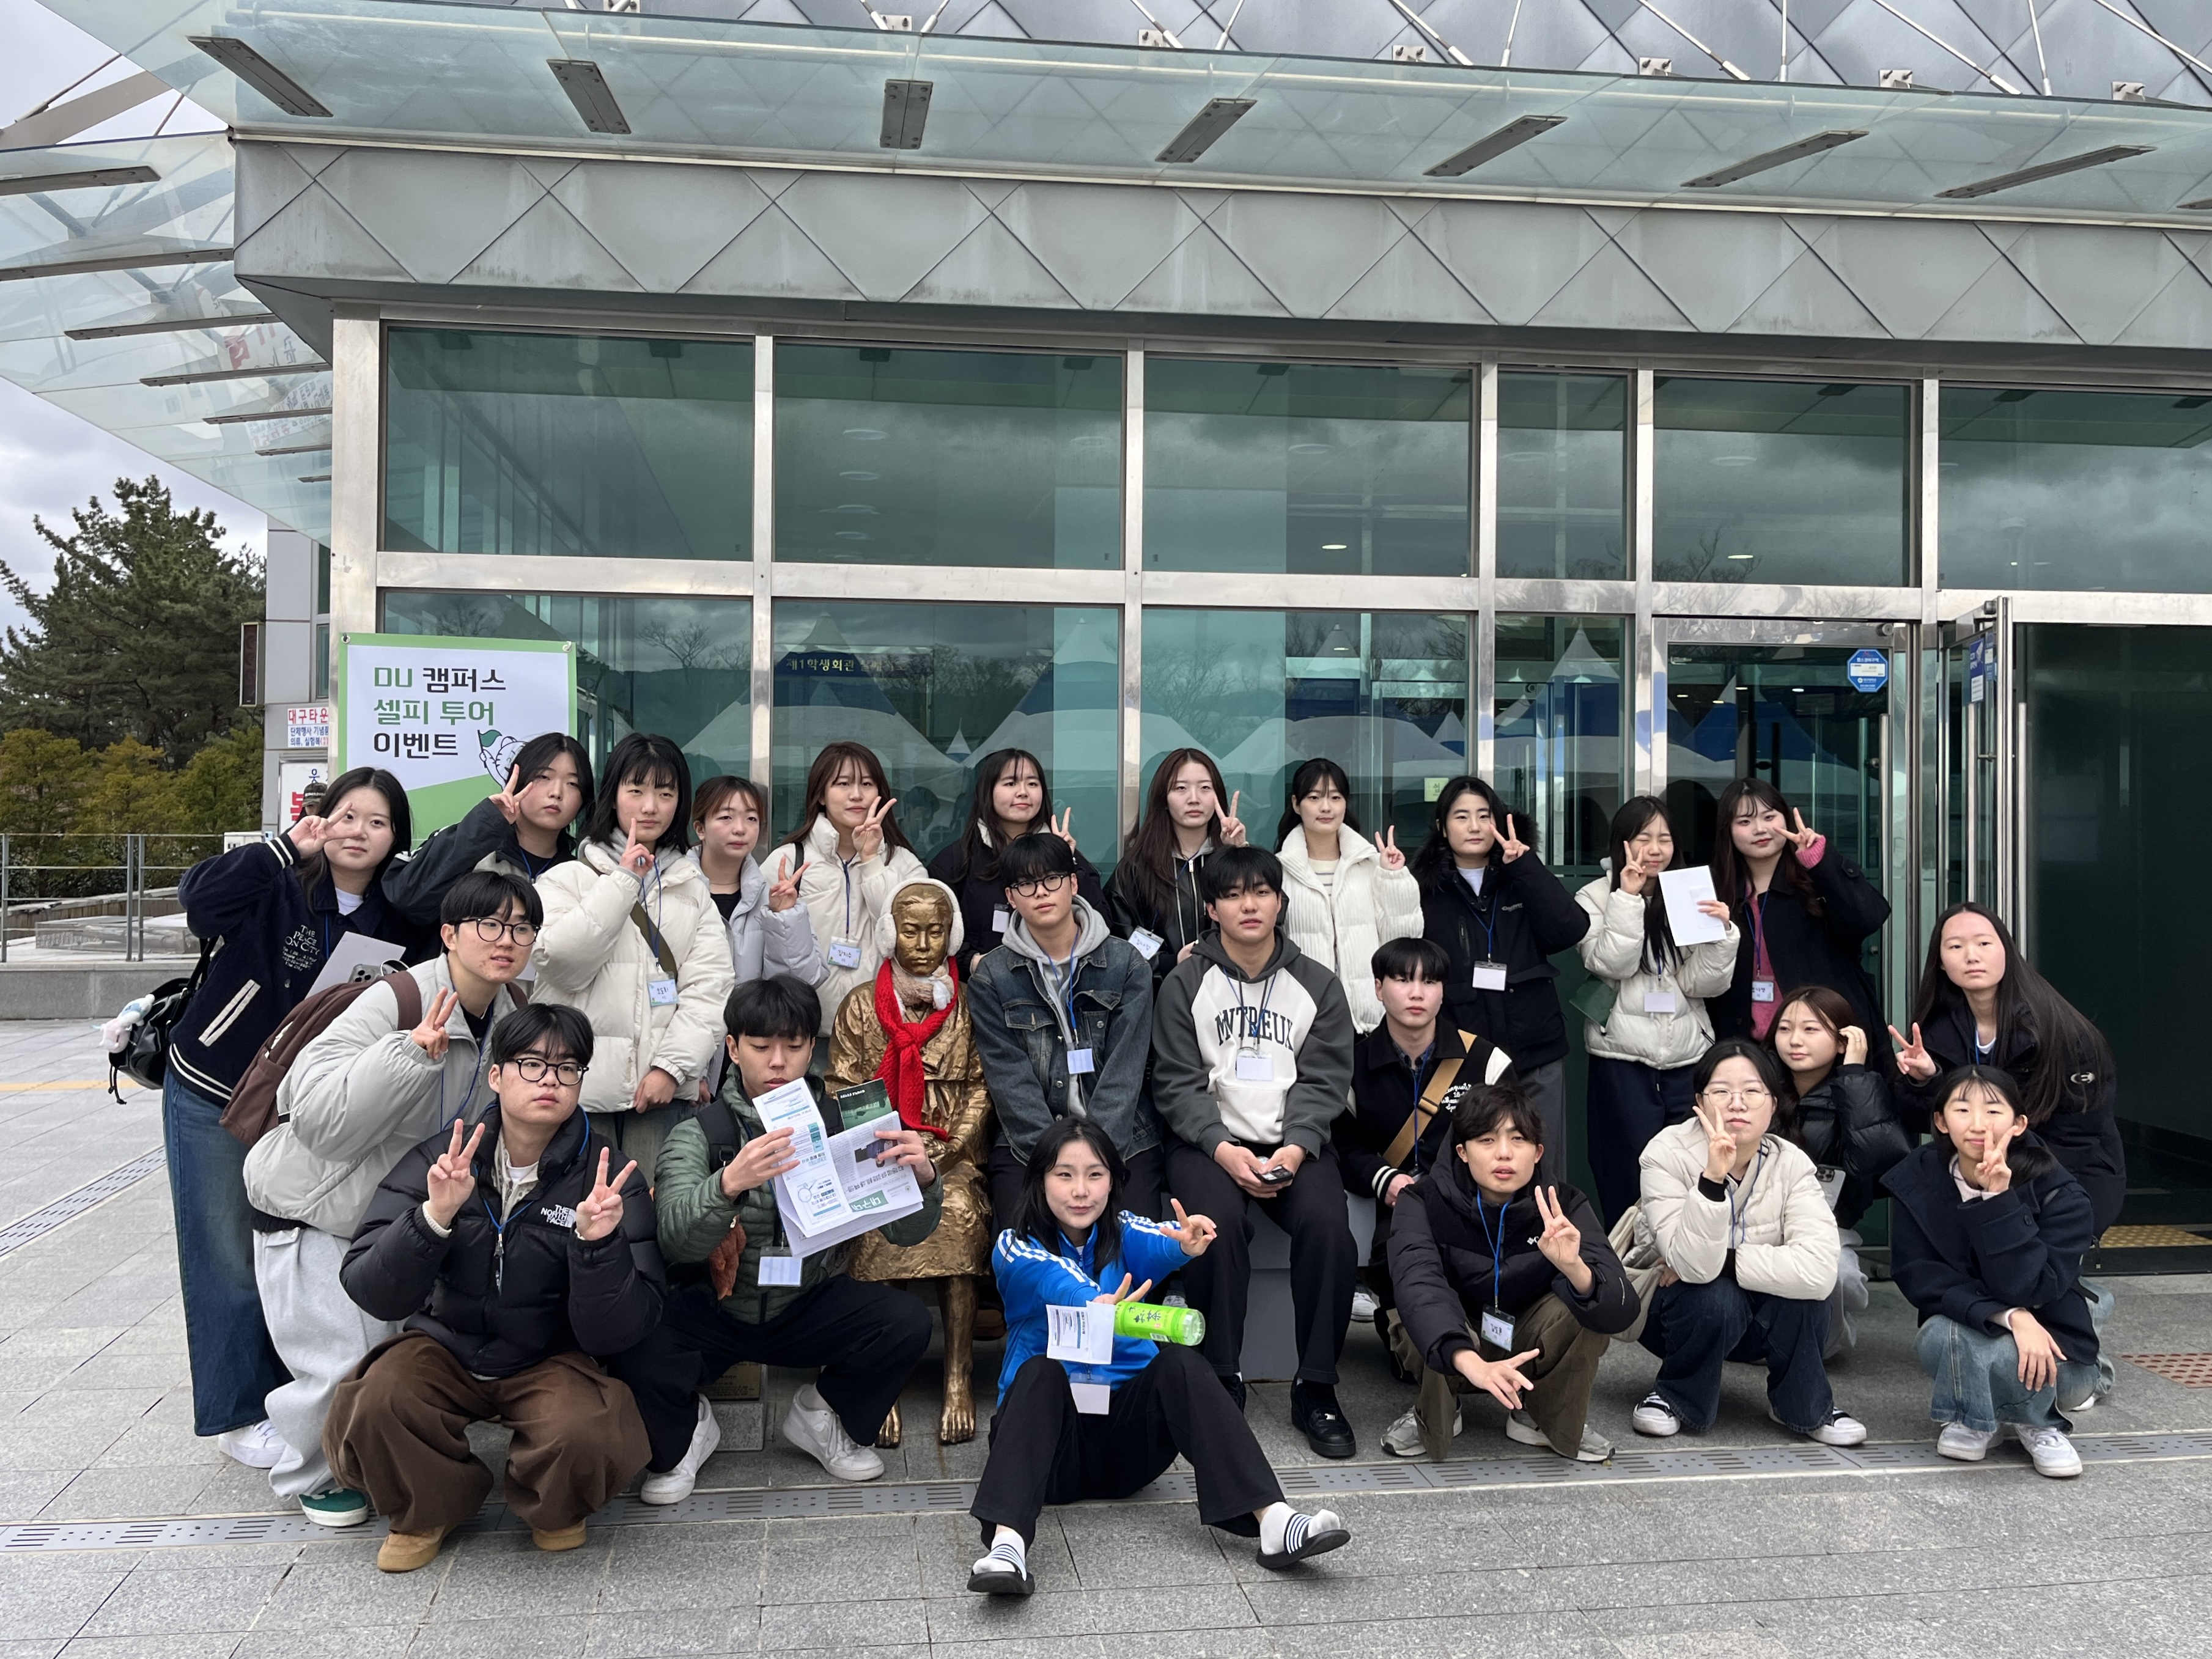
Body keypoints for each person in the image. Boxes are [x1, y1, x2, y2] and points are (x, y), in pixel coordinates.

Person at [241, 870, 536, 1527]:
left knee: (389, 1356)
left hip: (403, 1215)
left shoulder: (513, 1010)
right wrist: (409, 1054)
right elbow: (318, 1119)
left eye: (521, 927)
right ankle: (312, 1472)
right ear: (449, 934)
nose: (506, 939)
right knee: (339, 1358)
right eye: (490, 924)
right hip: (319, 1208)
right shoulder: (394, 999)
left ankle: (365, 1458)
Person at [326, 1005, 660, 1572]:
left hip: (547, 1355)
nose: (550, 1081)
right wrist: (433, 1217)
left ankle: (553, 1506)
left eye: (567, 1068)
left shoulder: (608, 1180)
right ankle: (428, 1509)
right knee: (377, 1399)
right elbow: (370, 1288)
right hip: (444, 1345)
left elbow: (624, 1330)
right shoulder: (443, 1158)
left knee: (586, 1425)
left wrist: (597, 1246)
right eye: (532, 1065)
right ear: (497, 1075)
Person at [967, 1119, 1350, 1597]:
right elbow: (1051, 1277)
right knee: (1039, 1373)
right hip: (1048, 1454)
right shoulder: (1015, 1245)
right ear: (1039, 1180)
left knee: (1181, 1363)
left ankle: (1274, 1520)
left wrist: (1183, 1243)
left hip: (1127, 1449)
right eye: (1064, 1175)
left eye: (1095, 1175)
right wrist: (1094, 1302)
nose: (1081, 1190)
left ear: (1113, 1181)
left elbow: (1158, 1238)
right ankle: (1007, 1546)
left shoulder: (1123, 1230)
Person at [164, 767, 414, 1471]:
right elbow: (198, 902)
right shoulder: (277, 881)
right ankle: (239, 1412)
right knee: (224, 1253)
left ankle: (296, 1394)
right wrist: (284, 847)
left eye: (377, 821)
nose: (358, 831)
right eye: (346, 814)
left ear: (396, 837)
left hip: (310, 1106)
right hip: (213, 1086)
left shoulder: (398, 916)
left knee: (295, 1254)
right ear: (321, 819)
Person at [610, 977, 943, 1499]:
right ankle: (685, 1434)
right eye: (761, 1047)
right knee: (635, 1338)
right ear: (733, 1048)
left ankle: (821, 1414)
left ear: (812, 1048)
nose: (778, 1062)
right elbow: (674, 1240)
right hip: (715, 1308)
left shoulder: (842, 1122)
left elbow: (906, 1234)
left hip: (803, 1301)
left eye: (794, 1046)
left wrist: (921, 1179)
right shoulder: (700, 1133)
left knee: (906, 1321)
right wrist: (727, 1184)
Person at [1150, 845, 1359, 1457]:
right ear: (1211, 908)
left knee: (1330, 1230)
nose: (1250, 904)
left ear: (1280, 902)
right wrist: (1222, 1149)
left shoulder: (1317, 983)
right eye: (1234, 894)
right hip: (1208, 1143)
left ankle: (1315, 1385)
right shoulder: (1185, 983)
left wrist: (1295, 1149)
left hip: (1294, 1143)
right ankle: (1221, 1378)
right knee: (1213, 1228)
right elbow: (1176, 1082)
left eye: (1262, 891)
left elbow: (1325, 1079)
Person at [1384, 1079, 1639, 1462]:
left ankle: (1539, 1416)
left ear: (1537, 1152)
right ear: (1462, 1151)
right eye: (1487, 1140)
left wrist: (1576, 1268)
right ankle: (1437, 1412)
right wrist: (1473, 1364)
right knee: (1421, 1310)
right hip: (1460, 1338)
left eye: (1518, 1139)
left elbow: (1623, 1309)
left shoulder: (1564, 1204)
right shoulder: (1421, 1200)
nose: (1504, 1153)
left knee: (1588, 1302)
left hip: (1525, 1334)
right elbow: (1419, 1284)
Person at [826, 877, 995, 1446]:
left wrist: (941, 1154)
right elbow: (841, 1085)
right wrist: (883, 1149)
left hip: (950, 1156)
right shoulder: (859, 1007)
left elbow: (980, 1089)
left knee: (961, 1212)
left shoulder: (969, 1005)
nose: (923, 944)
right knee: (879, 1218)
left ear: (953, 935)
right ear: (889, 933)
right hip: (877, 1155)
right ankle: (885, 1376)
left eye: (936, 931)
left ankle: (958, 1375)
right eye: (910, 931)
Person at [1632, 1039, 1865, 1446]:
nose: (1737, 1104)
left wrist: (1727, 1262)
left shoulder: (1792, 1162)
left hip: (1761, 1318)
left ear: (1773, 1104)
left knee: (1806, 1298)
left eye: (1753, 1091)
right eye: (1721, 1091)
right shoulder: (1666, 1154)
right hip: (1676, 1316)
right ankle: (1675, 1396)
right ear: (1700, 1102)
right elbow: (1692, 1268)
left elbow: (1818, 1271)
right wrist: (1711, 1180)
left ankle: (1805, 1407)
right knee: (1714, 1296)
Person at [532, 732, 736, 1183]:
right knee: (576, 1212)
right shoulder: (567, 879)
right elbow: (561, 964)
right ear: (613, 794)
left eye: (665, 793)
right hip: (576, 1092)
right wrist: (624, 880)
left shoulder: (691, 887)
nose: (650, 807)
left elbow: (712, 988)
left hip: (661, 1097)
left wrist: (671, 1068)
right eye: (636, 790)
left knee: (655, 1212)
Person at [1883, 1065, 2098, 1479]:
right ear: (1941, 1121)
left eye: (1994, 1111)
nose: (1979, 1124)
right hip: (1973, 1333)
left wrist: (1998, 1199)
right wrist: (2012, 1317)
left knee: (2002, 1353)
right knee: (1940, 1333)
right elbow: (1919, 1277)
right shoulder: (1918, 1177)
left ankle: (2028, 1421)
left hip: (2059, 1358)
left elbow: (2030, 1286)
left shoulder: (2061, 1193)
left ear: (2019, 1124)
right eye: (1962, 1110)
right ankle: (1988, 1415)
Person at [1890, 902, 2124, 1236]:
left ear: (2007, 951)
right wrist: (1926, 1081)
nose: (1971, 956)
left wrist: (2005, 1178)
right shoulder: (1937, 1032)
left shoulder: (2064, 1032)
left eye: (1984, 943)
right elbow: (1926, 1122)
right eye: (1955, 947)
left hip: (2062, 1175)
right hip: (1974, 1171)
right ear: (1940, 962)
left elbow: (2079, 1134)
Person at [968, 831, 1162, 1227]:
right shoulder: (992, 976)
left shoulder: (1126, 965)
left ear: (1073, 884)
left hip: (1121, 1135)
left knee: (1136, 1239)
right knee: (1021, 1242)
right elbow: (1010, 1079)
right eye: (1026, 884)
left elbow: (1125, 1072)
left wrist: (1093, 1157)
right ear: (1011, 897)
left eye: (1051, 879)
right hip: (1032, 1140)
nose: (1041, 892)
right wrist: (1056, 1160)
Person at [1412, 776, 1588, 1185]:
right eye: (1461, 817)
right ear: (1442, 828)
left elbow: (1570, 929)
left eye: (1483, 816)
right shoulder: (1425, 889)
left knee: (1543, 1169)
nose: (1474, 827)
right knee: (1469, 1169)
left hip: (1535, 1048)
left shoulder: (1520, 876)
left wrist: (1525, 867)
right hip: (1463, 1052)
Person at [1577, 796, 1742, 1225]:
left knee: (1687, 1164)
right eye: (1643, 838)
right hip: (1622, 1057)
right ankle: (1625, 1255)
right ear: (1622, 842)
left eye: (1664, 839)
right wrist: (1628, 899)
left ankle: (1680, 1252)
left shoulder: (1687, 894)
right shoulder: (1595, 897)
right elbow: (1611, 965)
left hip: (1688, 1057)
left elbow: (1702, 985)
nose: (1655, 849)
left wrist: (1723, 935)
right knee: (1623, 1166)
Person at [1334, 937, 1515, 1326]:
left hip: (1473, 1209)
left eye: (1430, 982)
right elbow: (1342, 1147)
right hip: (1395, 1214)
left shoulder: (1487, 1062)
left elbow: (1515, 1143)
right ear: (1378, 988)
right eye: (1403, 980)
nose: (1417, 993)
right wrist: (1385, 1179)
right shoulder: (1352, 1066)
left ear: (1443, 991)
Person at [1707, 779, 1889, 1045]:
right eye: (1745, 822)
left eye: (1769, 817)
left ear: (1786, 819)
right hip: (1745, 1046)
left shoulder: (1814, 880)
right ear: (1728, 830)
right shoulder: (1716, 893)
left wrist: (1821, 862)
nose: (1760, 829)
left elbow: (1869, 917)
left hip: (1825, 1042)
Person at [780, 741, 926, 1036]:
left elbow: (908, 937)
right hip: (802, 1031)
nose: (857, 795)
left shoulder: (904, 864)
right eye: (843, 784)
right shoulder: (788, 861)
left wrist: (871, 861)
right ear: (821, 795)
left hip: (884, 1029)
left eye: (867, 784)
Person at [688, 774, 823, 1093]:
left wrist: (784, 918)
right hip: (688, 1062)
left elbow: (799, 987)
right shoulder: (672, 893)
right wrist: (688, 1071)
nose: (740, 829)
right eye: (726, 817)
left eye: (751, 819)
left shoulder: (771, 897)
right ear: (700, 828)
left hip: (755, 1067)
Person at [1273, 757, 1422, 1034]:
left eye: (1335, 797)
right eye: (1314, 797)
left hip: (1369, 1020)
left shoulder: (1371, 865)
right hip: (1302, 1019)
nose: (1326, 807)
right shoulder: (1278, 871)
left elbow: (1404, 942)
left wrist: (1394, 878)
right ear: (1296, 804)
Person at [381, 733, 594, 925]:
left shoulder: (582, 875)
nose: (557, 792)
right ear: (517, 780)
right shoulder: (475, 849)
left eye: (572, 784)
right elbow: (407, 898)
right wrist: (487, 824)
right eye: (544, 777)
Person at [927, 748, 1107, 971]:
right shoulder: (956, 861)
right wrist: (973, 962)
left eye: (1032, 783)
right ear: (987, 791)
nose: (1023, 792)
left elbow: (1101, 922)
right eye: (1011, 783)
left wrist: (1067, 860)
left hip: (1060, 980)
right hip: (982, 985)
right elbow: (933, 932)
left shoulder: (1063, 852)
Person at [1103, 748, 1250, 984]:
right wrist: (1169, 963)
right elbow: (1119, 942)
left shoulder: (1231, 859)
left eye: (1205, 788)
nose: (1194, 799)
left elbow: (1271, 915)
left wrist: (1238, 854)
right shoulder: (1136, 869)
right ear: (1163, 799)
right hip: (1163, 997)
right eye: (1181, 788)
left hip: (1232, 992)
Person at [1771, 986, 1910, 1230]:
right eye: (1784, 1029)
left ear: (1843, 1042)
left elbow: (1876, 1161)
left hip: (1828, 1230)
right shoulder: (1757, 1086)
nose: (1794, 1040)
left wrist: (1854, 1074)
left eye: (1810, 1029)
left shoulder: (1859, 1092)